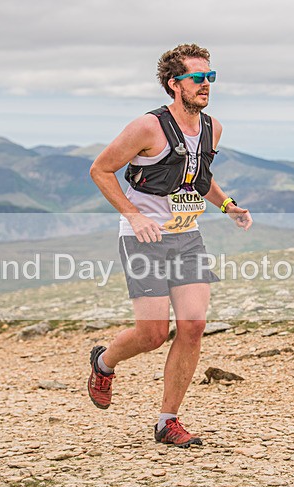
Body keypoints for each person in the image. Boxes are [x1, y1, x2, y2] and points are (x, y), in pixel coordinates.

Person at [88, 43, 253, 448]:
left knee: (194, 326)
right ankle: (104, 361)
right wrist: (134, 214)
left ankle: (168, 421)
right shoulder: (147, 127)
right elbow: (101, 170)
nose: (207, 85)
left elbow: (197, 175)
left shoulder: (213, 128)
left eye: (210, 77)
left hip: (187, 237)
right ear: (173, 84)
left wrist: (227, 205)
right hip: (144, 239)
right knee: (153, 333)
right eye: (198, 78)